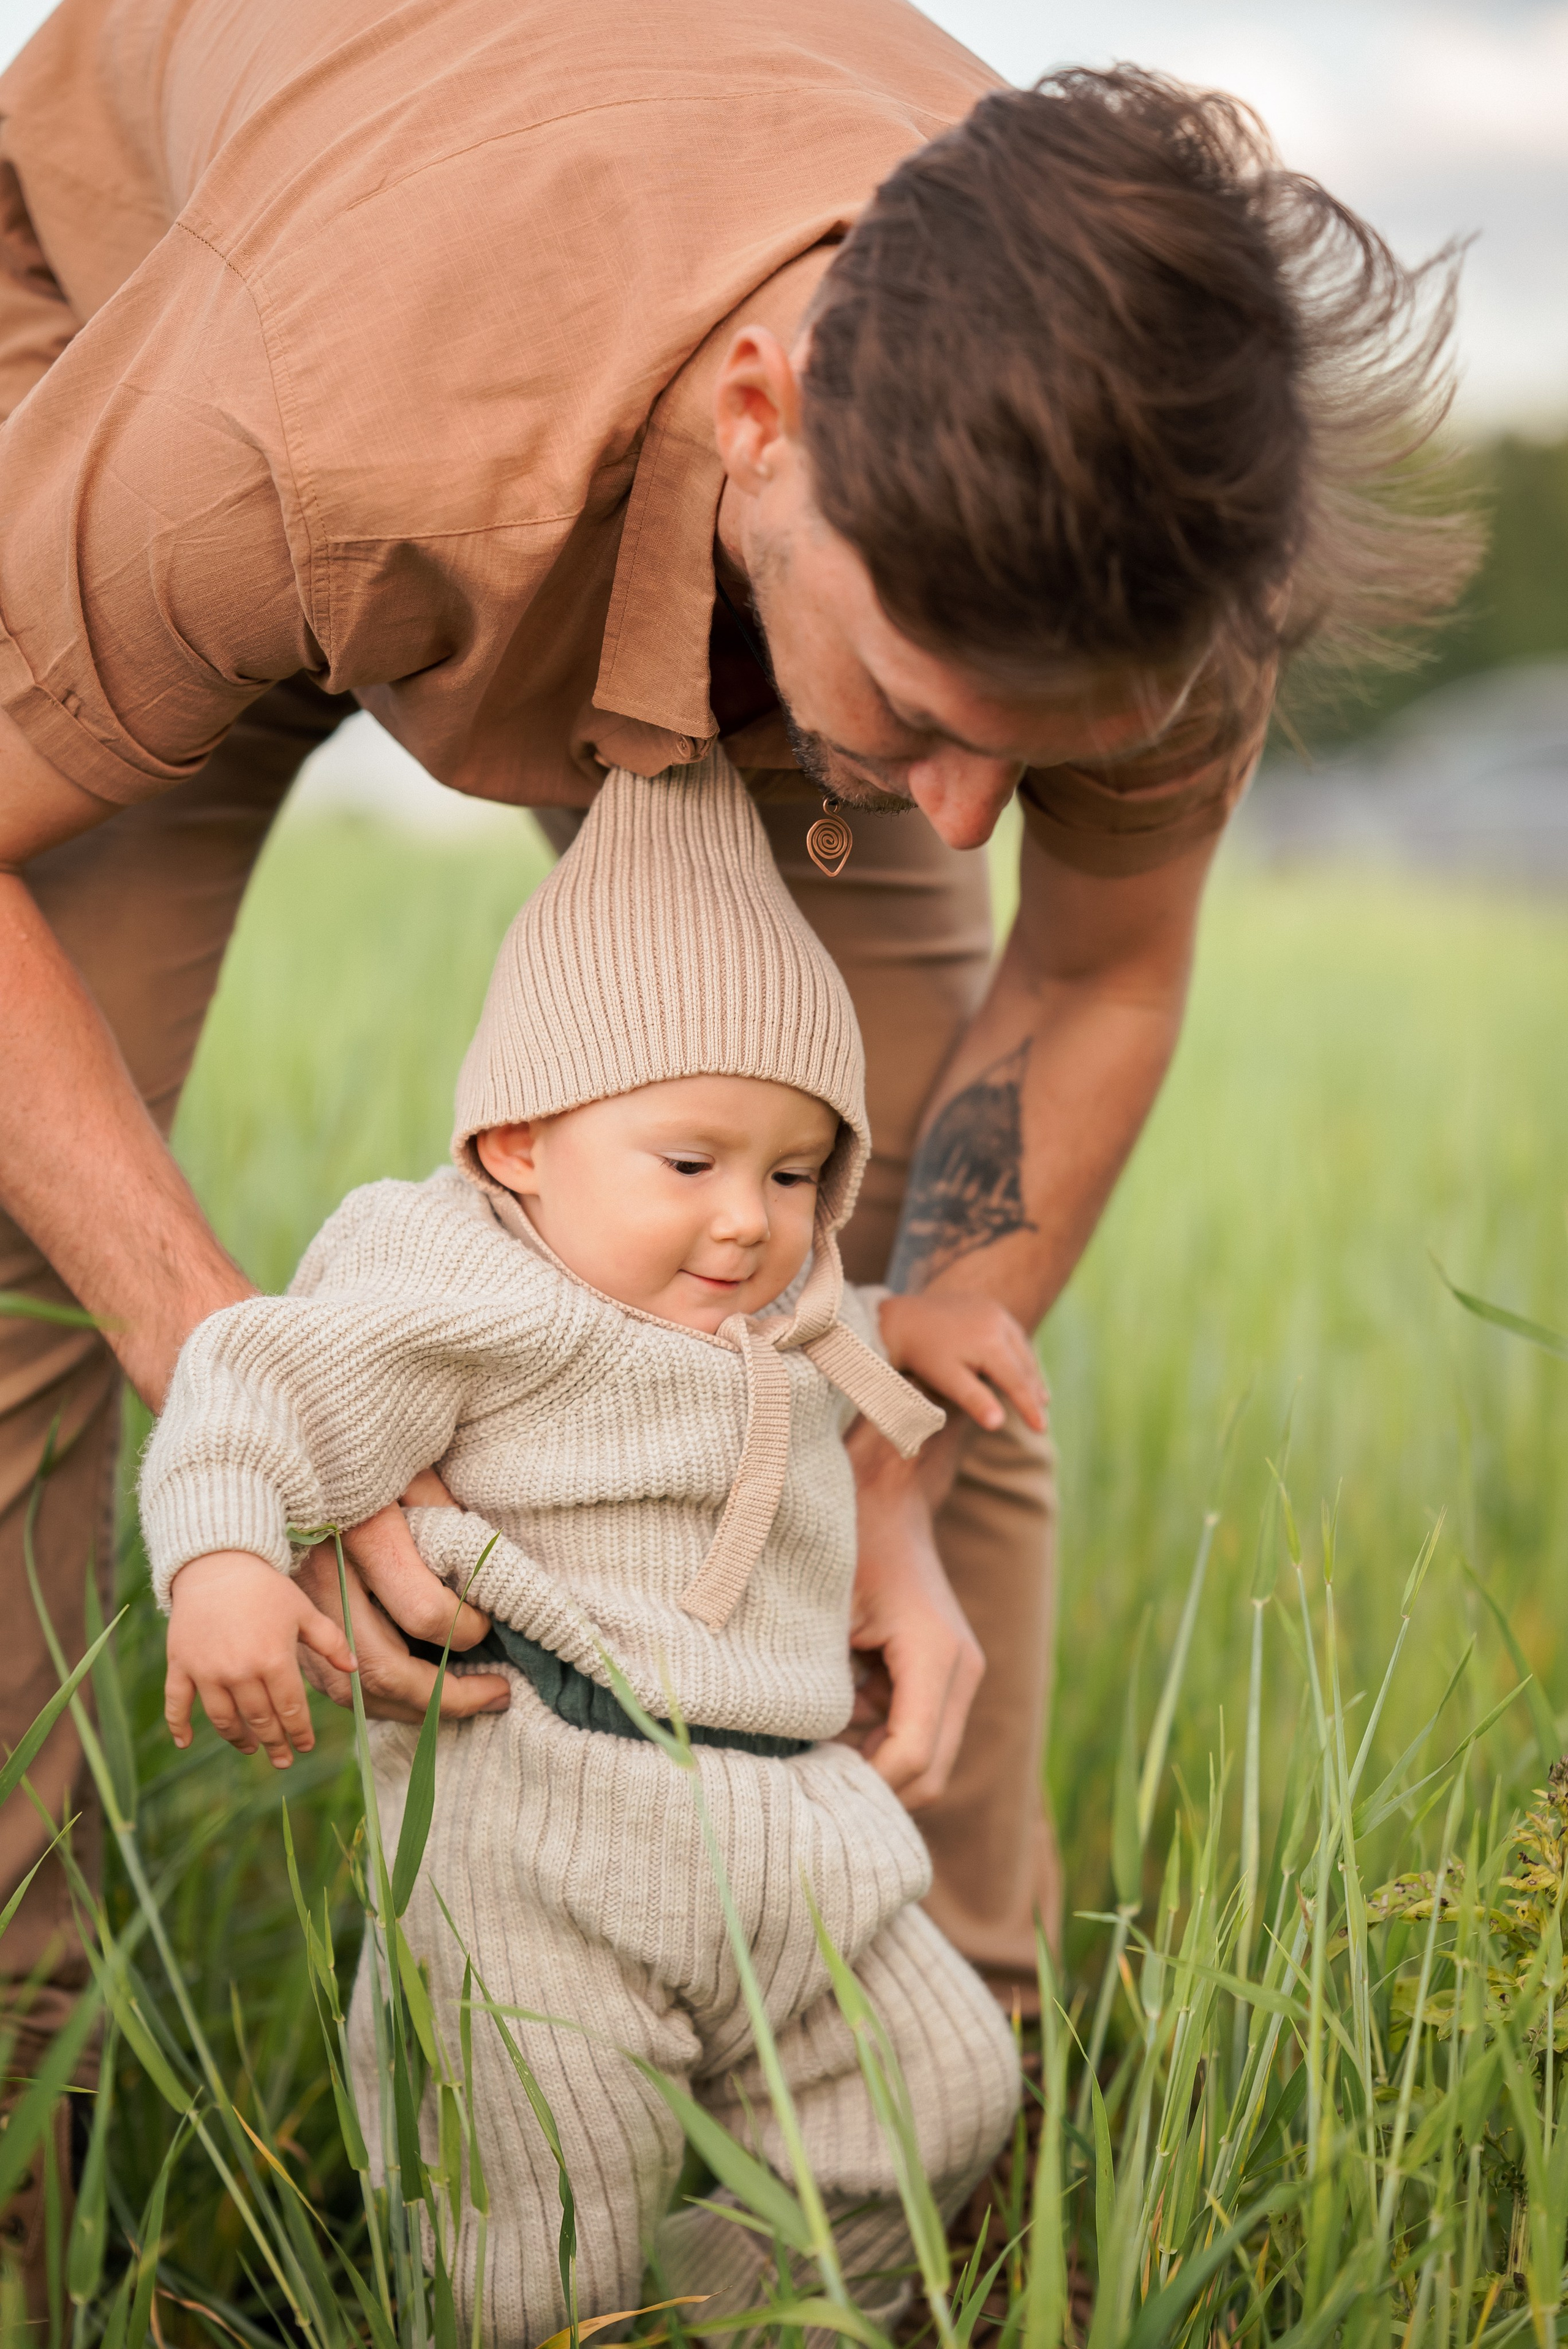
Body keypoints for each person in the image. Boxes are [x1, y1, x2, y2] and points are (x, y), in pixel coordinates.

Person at [0, 0, 1470, 2299]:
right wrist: (237, 1365)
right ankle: (27, 2159)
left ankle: (923, 2159)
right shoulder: (298, 422)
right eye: (924, 719)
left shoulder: (1145, 521)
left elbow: (1087, 976)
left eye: (1041, 750)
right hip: (175, 288)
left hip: (631, 391)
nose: (968, 819)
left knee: (874, 1285)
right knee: (18, 1266)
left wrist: (878, 1420)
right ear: (768, 421)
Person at [142, 755, 1032, 2340]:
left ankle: (710, 2320)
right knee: (533, 2207)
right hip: (540, 1837)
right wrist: (219, 1553)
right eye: (689, 1163)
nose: (749, 1220)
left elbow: (841, 1322)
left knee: (944, 2092)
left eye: (792, 1167)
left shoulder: (775, 1294)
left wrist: (924, 1314)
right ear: (520, 1146)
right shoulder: (476, 1289)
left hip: (786, 1824)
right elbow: (259, 1370)